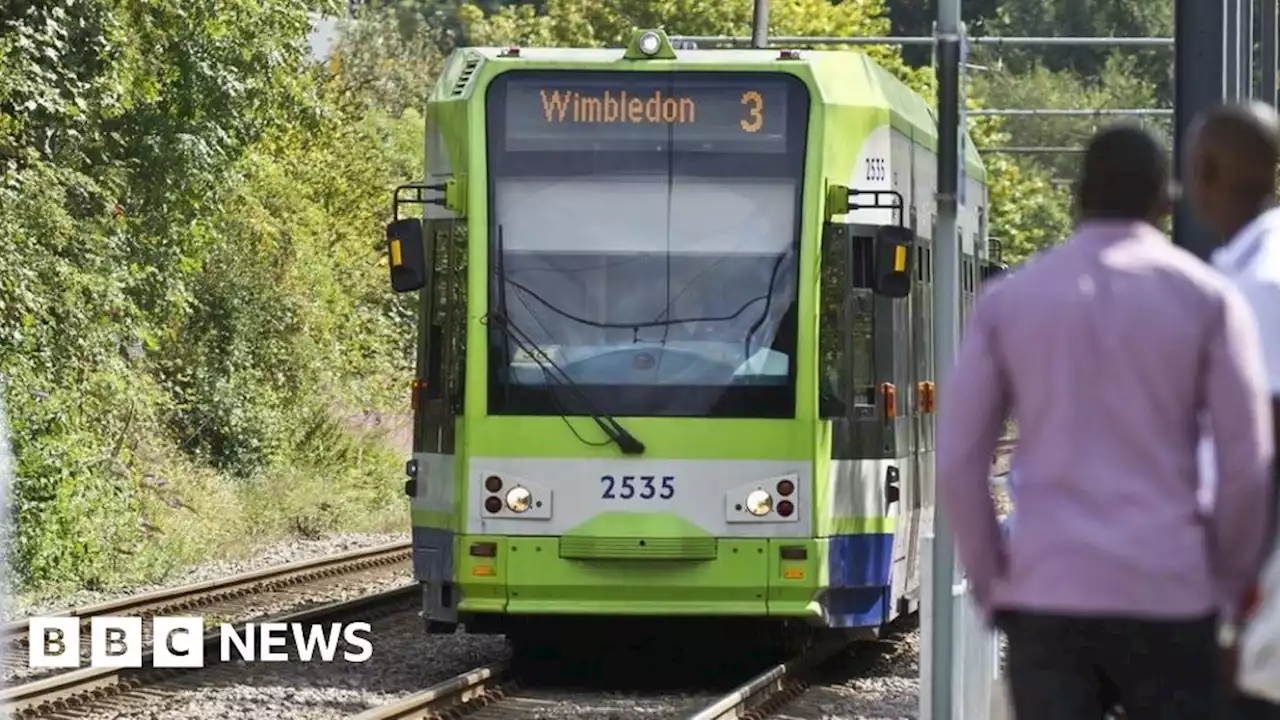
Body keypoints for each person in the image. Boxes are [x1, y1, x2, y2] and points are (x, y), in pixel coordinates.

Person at [937, 122, 1275, 720]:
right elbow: (1246, 465)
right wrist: (1224, 585)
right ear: (1164, 203)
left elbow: (962, 462)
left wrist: (995, 585)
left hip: (1048, 596)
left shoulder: (1009, 302)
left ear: (1076, 196)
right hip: (1171, 595)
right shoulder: (1209, 300)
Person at [1185, 101, 1280, 717]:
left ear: (1209, 170)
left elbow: (1262, 451)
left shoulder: (1263, 284)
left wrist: (1233, 610)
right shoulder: (1253, 267)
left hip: (1264, 592)